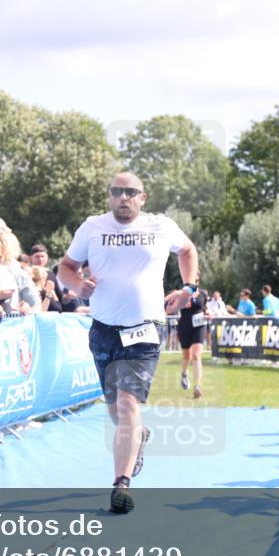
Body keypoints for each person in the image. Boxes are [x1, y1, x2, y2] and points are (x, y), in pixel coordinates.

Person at [57, 172, 198, 514]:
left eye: (130, 192)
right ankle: (138, 437)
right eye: (117, 192)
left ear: (142, 197)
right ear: (109, 196)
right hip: (103, 329)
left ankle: (121, 484)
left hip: (145, 330)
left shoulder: (160, 226)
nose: (123, 198)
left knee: (127, 405)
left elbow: (188, 249)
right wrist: (77, 284)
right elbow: (65, 266)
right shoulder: (92, 226)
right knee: (114, 409)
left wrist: (189, 288)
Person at [168, 285, 208, 399]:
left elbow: (205, 308)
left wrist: (208, 313)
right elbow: (170, 309)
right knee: (187, 356)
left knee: (196, 355)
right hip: (185, 325)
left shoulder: (203, 293)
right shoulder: (181, 293)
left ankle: (197, 387)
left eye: (196, 280)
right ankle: (184, 373)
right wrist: (179, 304)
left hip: (199, 325)